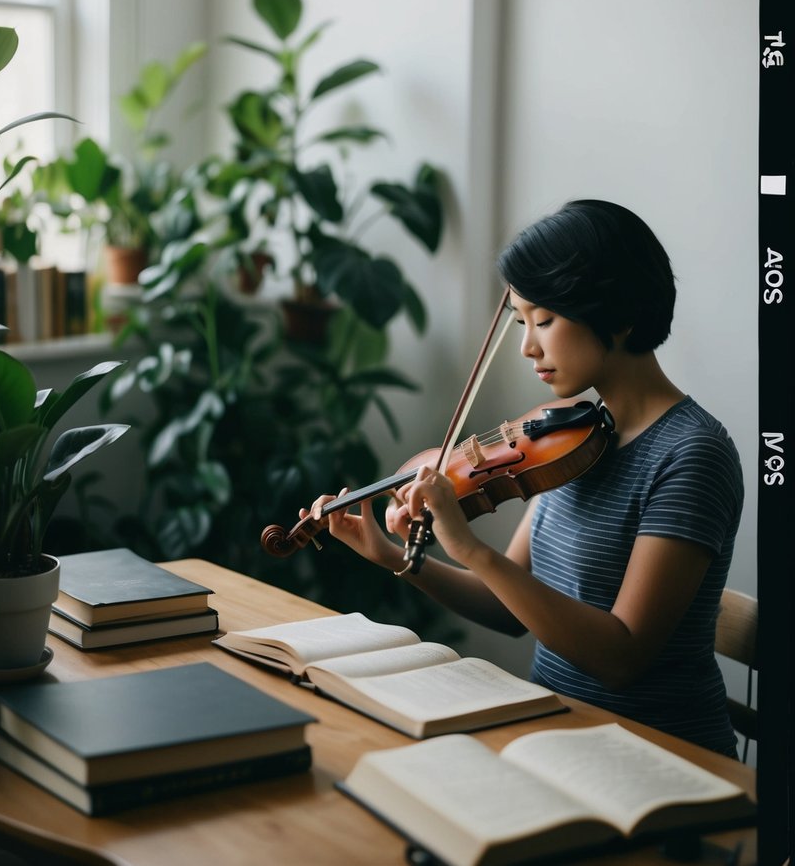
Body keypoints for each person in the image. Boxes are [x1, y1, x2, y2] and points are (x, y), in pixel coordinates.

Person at [302, 199, 744, 756]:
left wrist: (469, 547)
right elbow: (505, 608)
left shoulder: (691, 454)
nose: (527, 346)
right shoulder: (572, 437)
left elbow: (620, 657)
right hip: (559, 736)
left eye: (545, 320)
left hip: (662, 756)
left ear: (619, 313)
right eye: (519, 321)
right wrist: (396, 559)